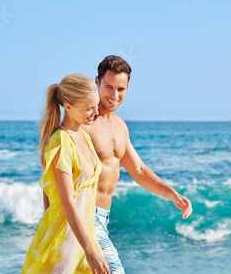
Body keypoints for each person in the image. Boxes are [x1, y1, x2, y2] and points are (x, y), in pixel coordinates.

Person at [81, 56, 193, 274]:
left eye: (121, 89)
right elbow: (57, 171)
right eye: (109, 87)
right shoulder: (84, 124)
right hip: (85, 216)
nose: (114, 96)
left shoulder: (120, 126)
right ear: (96, 82)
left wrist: (171, 194)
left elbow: (138, 170)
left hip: (103, 218)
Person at [22, 73, 110, 274]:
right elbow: (66, 201)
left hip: (84, 239)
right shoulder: (61, 140)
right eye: (89, 108)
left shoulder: (85, 137)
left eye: (96, 105)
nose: (96, 112)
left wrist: (91, 245)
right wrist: (89, 249)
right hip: (63, 244)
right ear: (68, 106)